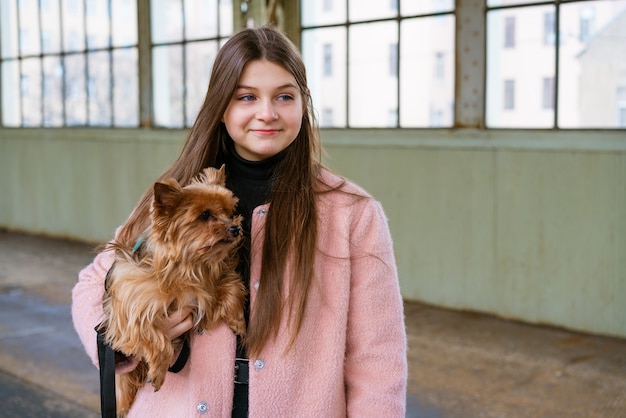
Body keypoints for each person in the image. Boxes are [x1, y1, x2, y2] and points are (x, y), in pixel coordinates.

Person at [72, 26, 407, 417]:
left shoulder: (353, 213)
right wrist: (131, 338)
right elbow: (93, 284)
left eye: (284, 96)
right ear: (222, 107)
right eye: (247, 97)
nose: (267, 113)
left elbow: (377, 359)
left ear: (304, 103)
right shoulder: (176, 198)